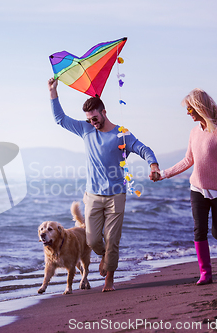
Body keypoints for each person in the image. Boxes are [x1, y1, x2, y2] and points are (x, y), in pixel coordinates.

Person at [48, 78, 160, 292]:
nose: (93, 123)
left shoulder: (121, 133)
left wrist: (153, 164)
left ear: (104, 112)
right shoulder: (85, 130)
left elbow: (143, 148)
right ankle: (105, 257)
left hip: (116, 195)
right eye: (89, 119)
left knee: (112, 239)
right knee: (91, 239)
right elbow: (60, 119)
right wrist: (53, 92)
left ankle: (109, 279)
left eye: (95, 118)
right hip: (92, 196)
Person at [154, 88, 217, 285]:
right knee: (199, 230)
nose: (188, 113)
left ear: (199, 107)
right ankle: (206, 273)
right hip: (197, 189)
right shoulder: (194, 132)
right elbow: (188, 160)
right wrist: (163, 174)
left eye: (190, 109)